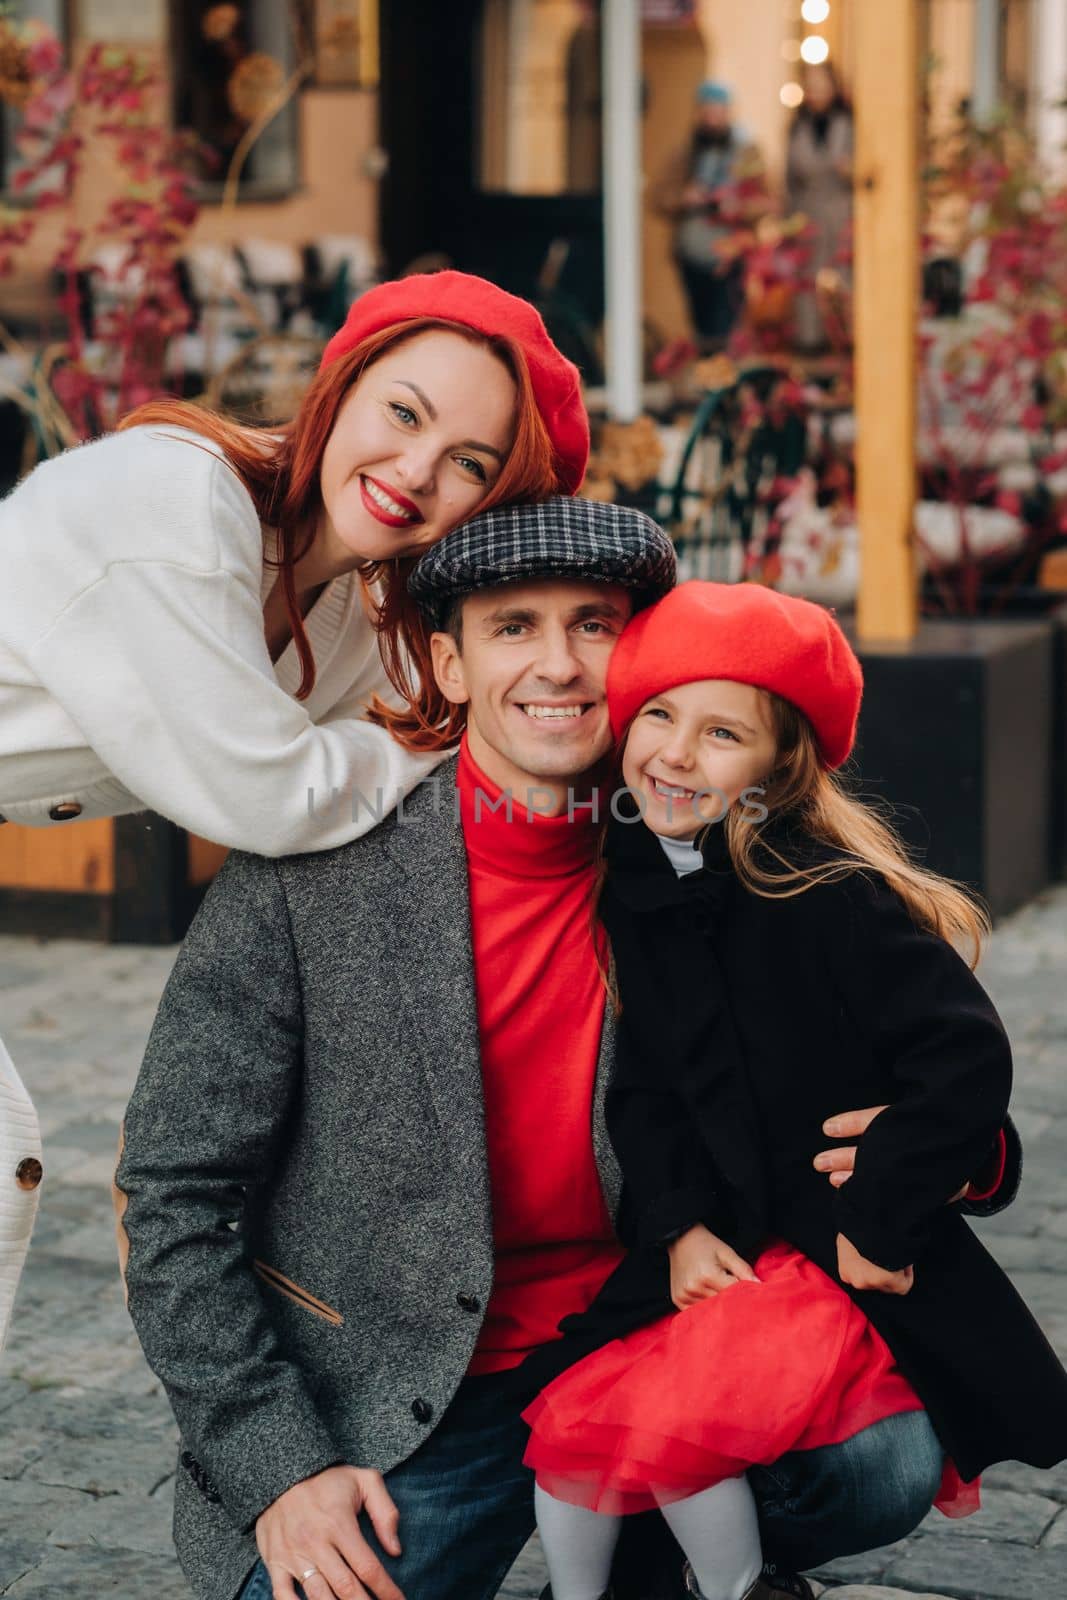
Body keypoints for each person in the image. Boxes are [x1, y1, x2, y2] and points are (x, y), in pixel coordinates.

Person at [115, 503, 1017, 1600]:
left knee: (879, 1464)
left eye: (592, 625)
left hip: (647, 1323)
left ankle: (683, 1563)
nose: (557, 664)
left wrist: (953, 1152)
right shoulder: (313, 873)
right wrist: (277, 1465)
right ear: (447, 661)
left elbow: (896, 1049)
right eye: (511, 628)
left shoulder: (703, 854)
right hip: (408, 1384)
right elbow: (170, 1188)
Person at [0, 268, 586, 1353]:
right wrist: (424, 740)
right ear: (341, 384)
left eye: (468, 464)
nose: (414, 471)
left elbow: (401, 751)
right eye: (402, 412)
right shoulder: (173, 500)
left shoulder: (351, 606)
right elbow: (271, 793)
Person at [515, 582, 1067, 1600]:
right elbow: (645, 1093)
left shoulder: (822, 891)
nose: (675, 754)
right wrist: (676, 1223)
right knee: (589, 1422)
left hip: (828, 1242)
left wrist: (884, 1210)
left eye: (720, 731)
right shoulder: (637, 885)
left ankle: (734, 1586)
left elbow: (961, 1058)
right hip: (722, 1243)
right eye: (657, 716)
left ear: (779, 765)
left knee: (713, 1432)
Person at [650, 82, 758, 350]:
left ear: (728, 113)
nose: (713, 118)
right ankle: (709, 377)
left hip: (731, 253)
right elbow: (657, 197)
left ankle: (723, 379)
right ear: (698, 113)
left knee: (728, 326)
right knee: (702, 324)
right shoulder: (684, 153)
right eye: (707, 111)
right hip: (692, 254)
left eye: (718, 111)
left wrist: (739, 206)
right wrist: (684, 198)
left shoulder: (746, 152)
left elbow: (767, 199)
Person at [785, 64, 853, 351]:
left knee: (844, 273)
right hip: (808, 211)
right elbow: (788, 178)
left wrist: (850, 171)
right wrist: (787, 220)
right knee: (807, 276)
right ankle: (810, 340)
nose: (816, 92)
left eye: (821, 84)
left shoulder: (848, 125)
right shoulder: (798, 126)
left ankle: (845, 337)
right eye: (810, 86)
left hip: (841, 210)